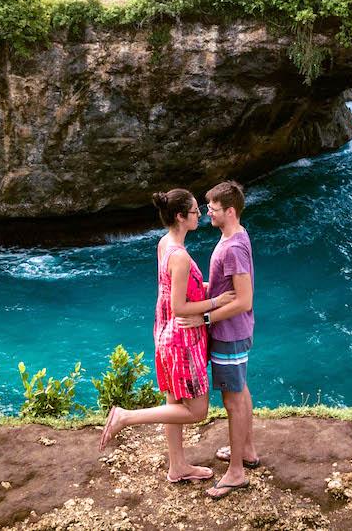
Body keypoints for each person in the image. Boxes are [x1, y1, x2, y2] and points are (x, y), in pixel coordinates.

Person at [98, 189, 236, 483]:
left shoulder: (164, 244)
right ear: (180, 216)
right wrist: (216, 302)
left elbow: (176, 289)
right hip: (183, 339)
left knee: (174, 404)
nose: (201, 214)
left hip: (165, 333)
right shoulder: (182, 257)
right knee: (197, 410)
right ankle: (126, 417)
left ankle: (178, 466)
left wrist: (211, 287)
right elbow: (180, 306)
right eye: (195, 211)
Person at [177, 179, 257, 499]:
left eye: (212, 208)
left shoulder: (234, 246)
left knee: (232, 401)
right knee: (241, 391)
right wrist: (201, 289)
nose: (207, 211)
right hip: (236, 333)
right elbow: (226, 288)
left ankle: (236, 472)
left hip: (229, 335)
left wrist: (204, 317)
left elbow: (244, 299)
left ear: (230, 211)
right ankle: (247, 451)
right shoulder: (233, 235)